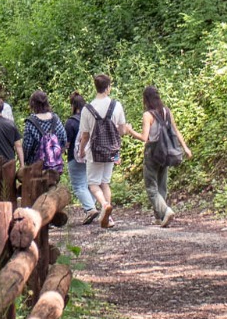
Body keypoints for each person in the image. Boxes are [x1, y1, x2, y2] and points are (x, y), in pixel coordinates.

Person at [77, 74, 141, 228]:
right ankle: (109, 218)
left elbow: (85, 135)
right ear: (108, 87)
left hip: (94, 151)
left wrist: (81, 151)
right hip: (111, 150)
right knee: (105, 183)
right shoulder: (116, 105)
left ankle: (105, 206)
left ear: (96, 87)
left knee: (93, 184)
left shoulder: (87, 108)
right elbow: (122, 130)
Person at [137, 85, 191, 227]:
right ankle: (159, 217)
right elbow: (176, 130)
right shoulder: (167, 111)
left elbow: (144, 138)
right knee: (162, 185)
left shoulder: (148, 115)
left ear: (146, 100)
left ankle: (165, 211)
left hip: (153, 153)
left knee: (151, 187)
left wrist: (130, 131)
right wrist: (185, 148)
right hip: (166, 152)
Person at [64, 92, 98, 223]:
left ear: (73, 105)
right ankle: (91, 207)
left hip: (76, 156)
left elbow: (66, 143)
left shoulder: (71, 122)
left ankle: (90, 209)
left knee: (79, 185)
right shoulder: (92, 118)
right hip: (92, 155)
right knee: (91, 184)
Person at [20, 90, 69, 181]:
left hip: (35, 167)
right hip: (54, 168)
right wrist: (54, 154)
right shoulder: (55, 118)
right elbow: (64, 139)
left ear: (33, 104)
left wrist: (25, 160)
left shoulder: (31, 122)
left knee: (36, 192)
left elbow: (27, 146)